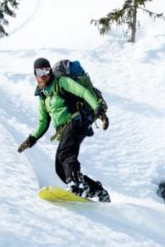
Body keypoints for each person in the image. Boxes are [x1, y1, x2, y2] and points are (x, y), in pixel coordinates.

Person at [18, 57, 110, 202]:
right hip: (65, 130)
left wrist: (97, 108)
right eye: (39, 71)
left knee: (65, 153)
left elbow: (83, 92)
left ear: (50, 70)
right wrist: (31, 139)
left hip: (77, 120)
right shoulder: (43, 97)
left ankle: (76, 184)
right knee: (59, 168)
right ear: (35, 74)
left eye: (46, 70)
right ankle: (97, 191)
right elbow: (43, 122)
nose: (43, 75)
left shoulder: (61, 82)